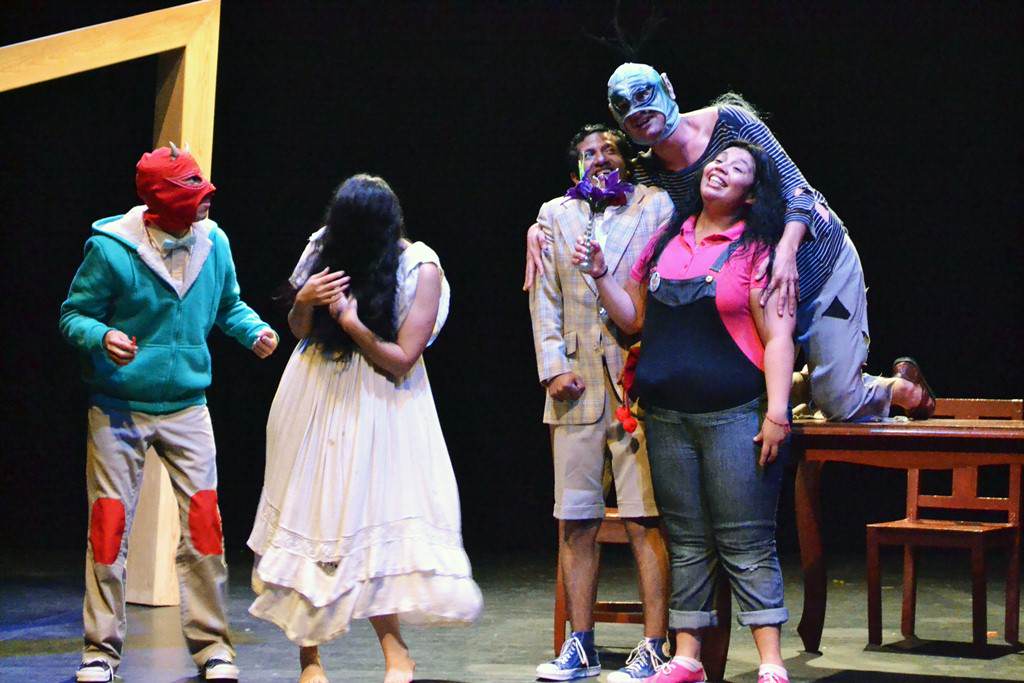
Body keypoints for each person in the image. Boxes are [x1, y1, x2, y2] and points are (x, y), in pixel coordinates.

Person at [525, 63, 935, 423]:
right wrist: (539, 228)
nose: (637, 110)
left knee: (839, 403)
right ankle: (821, 378)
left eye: (644, 95)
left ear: (667, 87)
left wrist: (787, 253)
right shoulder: (648, 172)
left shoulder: (729, 124)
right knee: (738, 391)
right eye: (623, 105)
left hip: (816, 266)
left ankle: (899, 389)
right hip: (755, 289)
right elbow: (598, 196)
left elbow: (800, 193)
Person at [247, 174, 482, 683]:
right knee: (309, 520)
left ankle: (397, 656)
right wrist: (305, 299)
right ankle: (309, 660)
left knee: (372, 526)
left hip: (382, 399)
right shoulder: (323, 248)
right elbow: (300, 331)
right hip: (314, 392)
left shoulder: (420, 267)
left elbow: (402, 359)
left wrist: (352, 323)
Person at [575, 140, 795, 683]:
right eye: (717, 161)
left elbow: (778, 337)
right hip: (667, 419)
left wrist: (778, 413)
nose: (720, 168)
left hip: (735, 416)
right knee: (688, 540)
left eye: (737, 168)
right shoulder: (667, 241)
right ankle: (688, 657)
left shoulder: (756, 250)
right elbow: (633, 320)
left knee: (746, 540)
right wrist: (601, 275)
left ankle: (770, 662)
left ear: (750, 194)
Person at [59, 144, 279, 683]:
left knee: (204, 525)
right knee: (108, 527)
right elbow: (74, 314)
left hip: (187, 407)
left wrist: (253, 330)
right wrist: (102, 336)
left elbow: (228, 304)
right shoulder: (112, 249)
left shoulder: (214, 242)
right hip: (119, 407)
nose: (206, 200)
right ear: (162, 200)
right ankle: (100, 651)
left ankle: (213, 647)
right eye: (193, 192)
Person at [529, 124, 674, 682]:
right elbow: (545, 296)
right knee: (575, 520)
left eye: (609, 149)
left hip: (637, 382)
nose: (599, 158)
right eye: (588, 153)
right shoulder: (553, 215)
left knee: (645, 519)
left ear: (625, 159)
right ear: (575, 167)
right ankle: (581, 645)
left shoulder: (654, 206)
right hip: (575, 384)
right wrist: (552, 367)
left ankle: (654, 645)